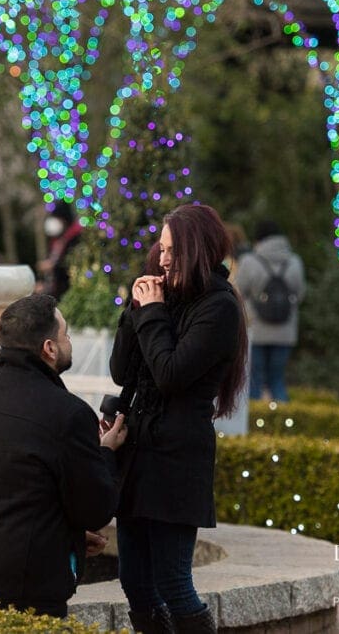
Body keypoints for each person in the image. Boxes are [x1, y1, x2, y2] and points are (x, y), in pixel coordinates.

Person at [0, 293, 128, 617]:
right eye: (66, 334)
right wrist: (106, 453)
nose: (69, 342)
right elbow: (95, 509)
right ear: (49, 348)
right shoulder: (68, 414)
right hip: (24, 585)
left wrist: (68, 538)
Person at [105, 204, 248, 634]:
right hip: (137, 452)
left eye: (172, 250)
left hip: (176, 458)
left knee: (172, 582)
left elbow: (169, 374)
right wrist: (133, 312)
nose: (162, 259)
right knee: (134, 582)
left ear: (197, 251)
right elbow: (121, 371)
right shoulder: (163, 296)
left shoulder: (218, 307)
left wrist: (151, 313)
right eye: (161, 248)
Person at [234, 219, 306, 402]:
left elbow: (237, 293)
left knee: (254, 382)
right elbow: (300, 294)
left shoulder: (249, 261)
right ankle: (282, 423)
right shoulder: (295, 262)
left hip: (256, 330)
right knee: (277, 381)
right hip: (285, 332)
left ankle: (256, 425)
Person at [36, 201, 83, 300]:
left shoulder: (76, 237)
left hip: (68, 289)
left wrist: (53, 266)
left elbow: (71, 262)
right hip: (55, 289)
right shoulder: (57, 239)